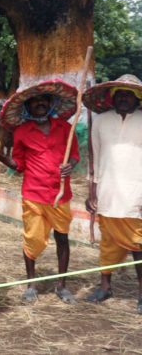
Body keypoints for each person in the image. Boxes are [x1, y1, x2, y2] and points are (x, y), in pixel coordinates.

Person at [0, 79, 80, 304]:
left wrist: (70, 166)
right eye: (35, 102)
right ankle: (31, 285)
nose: (40, 104)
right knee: (32, 239)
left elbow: (74, 155)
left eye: (44, 101)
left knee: (62, 238)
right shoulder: (22, 132)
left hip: (60, 194)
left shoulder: (65, 128)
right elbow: (20, 165)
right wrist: (3, 157)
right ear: (28, 107)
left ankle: (62, 285)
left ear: (51, 103)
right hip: (33, 194)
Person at [82, 74, 142, 314]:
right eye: (120, 94)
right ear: (112, 98)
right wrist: (91, 191)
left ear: (138, 99)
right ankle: (105, 286)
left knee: (139, 243)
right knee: (107, 242)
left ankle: (141, 292)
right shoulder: (100, 121)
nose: (124, 98)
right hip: (107, 191)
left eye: (129, 94)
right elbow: (93, 158)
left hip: (137, 194)